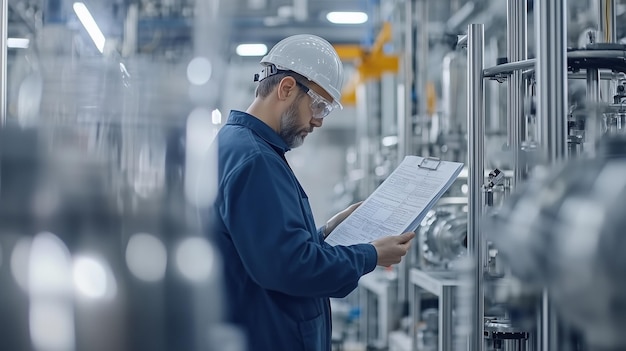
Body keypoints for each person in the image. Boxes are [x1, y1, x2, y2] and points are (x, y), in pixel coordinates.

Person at [210, 34, 416, 351]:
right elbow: (290, 268)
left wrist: (330, 229)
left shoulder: (245, 148)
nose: (318, 120)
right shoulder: (256, 161)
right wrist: (371, 255)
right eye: (318, 105)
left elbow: (273, 251)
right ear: (287, 88)